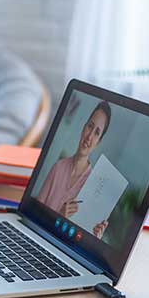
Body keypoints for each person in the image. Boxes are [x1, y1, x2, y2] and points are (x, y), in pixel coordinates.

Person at [36, 101, 111, 239]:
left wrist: (96, 238)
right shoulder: (58, 167)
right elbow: (34, 215)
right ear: (84, 127)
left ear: (98, 142)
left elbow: (81, 242)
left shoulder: (94, 187)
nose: (89, 137)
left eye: (97, 133)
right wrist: (59, 216)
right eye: (90, 126)